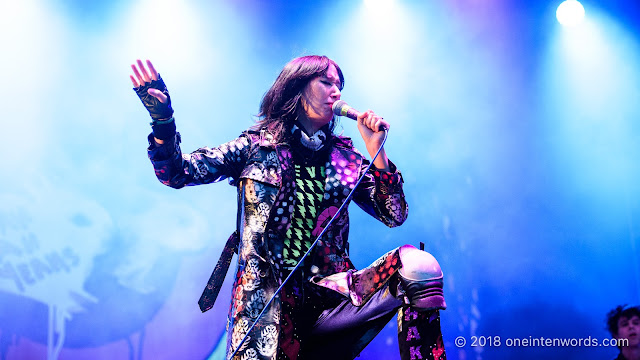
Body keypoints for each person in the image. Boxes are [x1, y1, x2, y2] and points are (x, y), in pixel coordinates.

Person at [130, 56, 447, 360]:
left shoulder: (346, 159)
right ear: (296, 88)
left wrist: (378, 153)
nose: (337, 91)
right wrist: (163, 122)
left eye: (340, 85)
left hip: (332, 297)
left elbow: (394, 214)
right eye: (326, 82)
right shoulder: (254, 148)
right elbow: (176, 173)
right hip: (267, 305)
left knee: (420, 267)